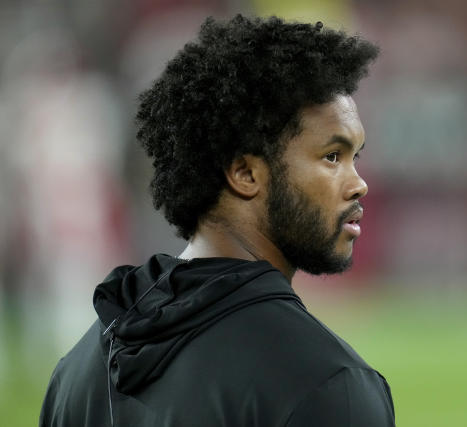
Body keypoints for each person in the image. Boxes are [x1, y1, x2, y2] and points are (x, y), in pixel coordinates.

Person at [39, 14, 394, 427]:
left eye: (356, 157)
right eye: (332, 156)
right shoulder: (328, 383)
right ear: (245, 174)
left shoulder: (76, 373)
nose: (359, 184)